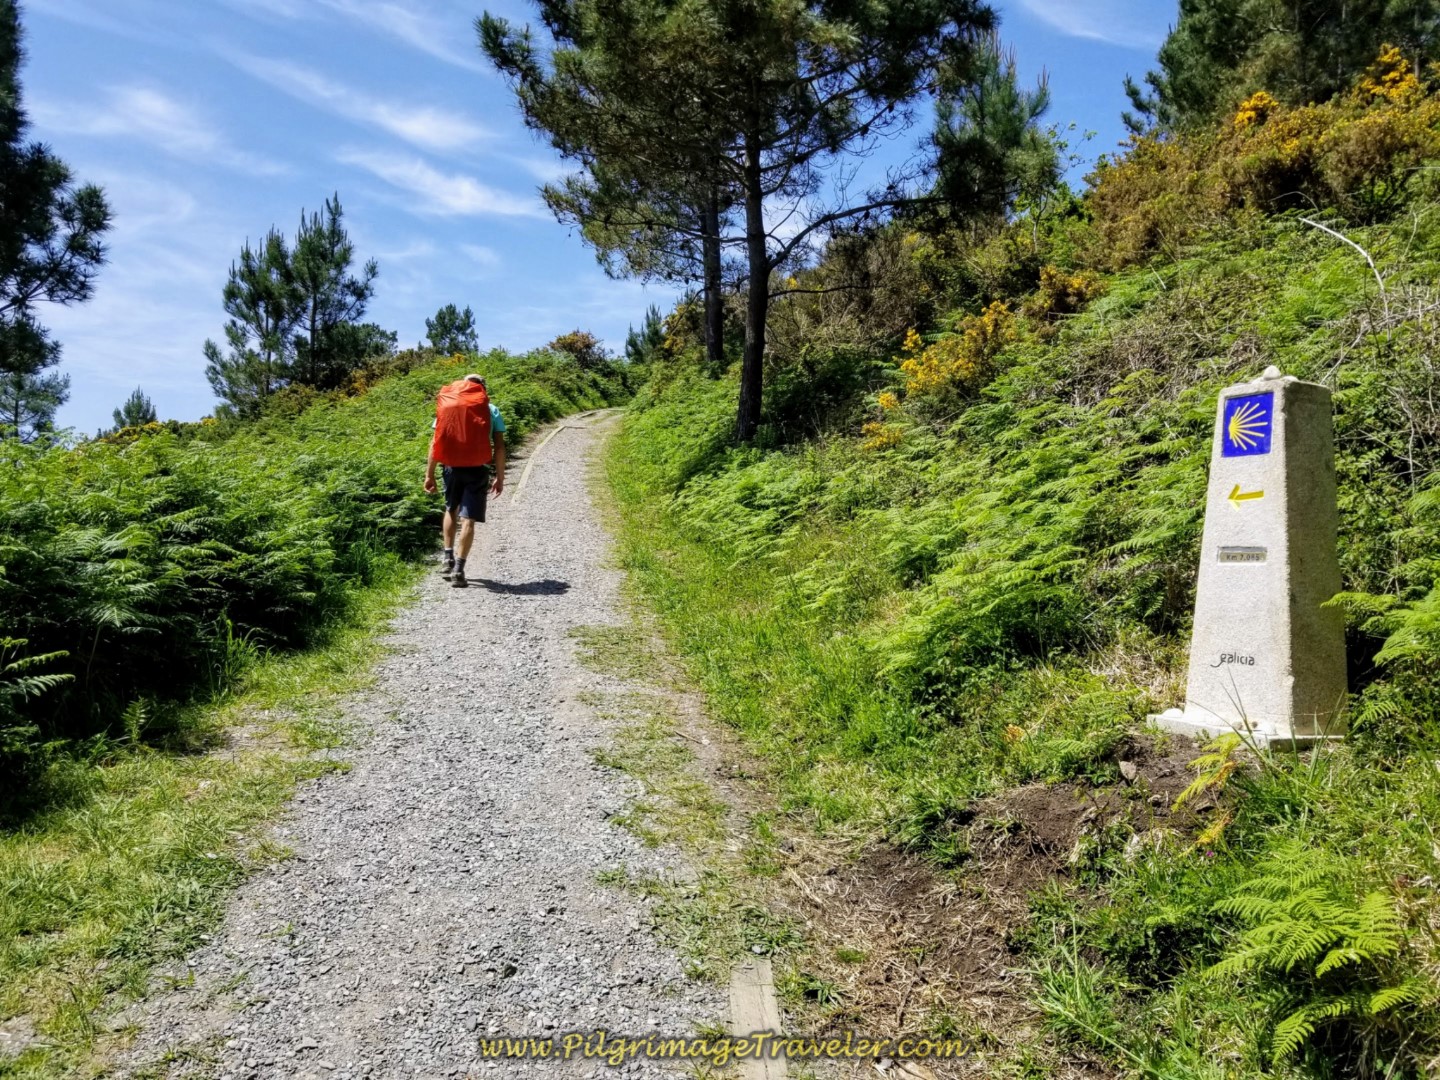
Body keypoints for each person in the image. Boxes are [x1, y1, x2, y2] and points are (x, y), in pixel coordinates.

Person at [424, 374, 506, 588]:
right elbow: (499, 446)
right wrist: (499, 476)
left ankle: (447, 557)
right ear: (483, 389)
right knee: (468, 519)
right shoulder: (491, 409)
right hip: (478, 468)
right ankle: (459, 570)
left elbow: (435, 442)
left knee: (451, 509)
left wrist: (429, 474)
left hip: (451, 467)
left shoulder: (449, 405)